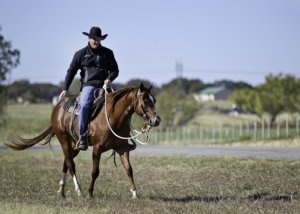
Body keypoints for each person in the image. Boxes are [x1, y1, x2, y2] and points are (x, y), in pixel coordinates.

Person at [59, 26, 119, 151]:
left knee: (118, 104)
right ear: (89, 38)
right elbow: (71, 71)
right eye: (93, 38)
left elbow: (115, 70)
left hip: (104, 85)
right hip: (88, 85)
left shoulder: (108, 53)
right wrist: (65, 88)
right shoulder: (80, 54)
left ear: (101, 39)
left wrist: (109, 79)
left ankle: (118, 136)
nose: (95, 41)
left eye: (98, 39)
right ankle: (82, 136)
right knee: (85, 105)